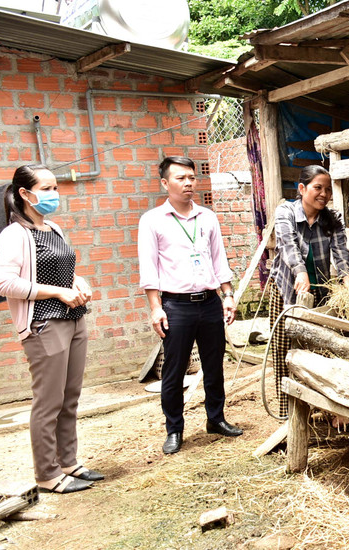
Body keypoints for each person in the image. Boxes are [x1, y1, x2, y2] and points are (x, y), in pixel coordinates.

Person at [0, 164, 101, 494]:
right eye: (48, 189)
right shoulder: (15, 234)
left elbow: (64, 270)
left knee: (70, 398)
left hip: (73, 319)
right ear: (25, 194)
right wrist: (56, 291)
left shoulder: (53, 228)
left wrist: (77, 283)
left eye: (56, 188)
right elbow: (3, 283)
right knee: (48, 401)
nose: (55, 195)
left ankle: (68, 462)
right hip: (44, 325)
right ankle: (47, 475)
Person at [137, 156, 242, 455]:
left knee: (214, 366)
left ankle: (216, 419)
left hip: (209, 302)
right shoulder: (153, 220)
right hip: (176, 306)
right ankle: (174, 429)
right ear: (165, 183)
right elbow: (149, 270)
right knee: (174, 370)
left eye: (192, 178)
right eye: (180, 178)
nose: (188, 183)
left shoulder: (207, 217)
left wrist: (228, 295)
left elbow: (219, 260)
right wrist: (156, 308)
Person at [268, 165, 349, 417]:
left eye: (327, 189)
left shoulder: (332, 219)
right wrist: (299, 271)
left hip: (320, 293)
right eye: (317, 188)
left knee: (318, 349)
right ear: (302, 188)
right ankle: (288, 414)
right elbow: (288, 244)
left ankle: (321, 410)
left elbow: (341, 254)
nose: (324, 194)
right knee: (284, 350)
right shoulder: (286, 212)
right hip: (287, 291)